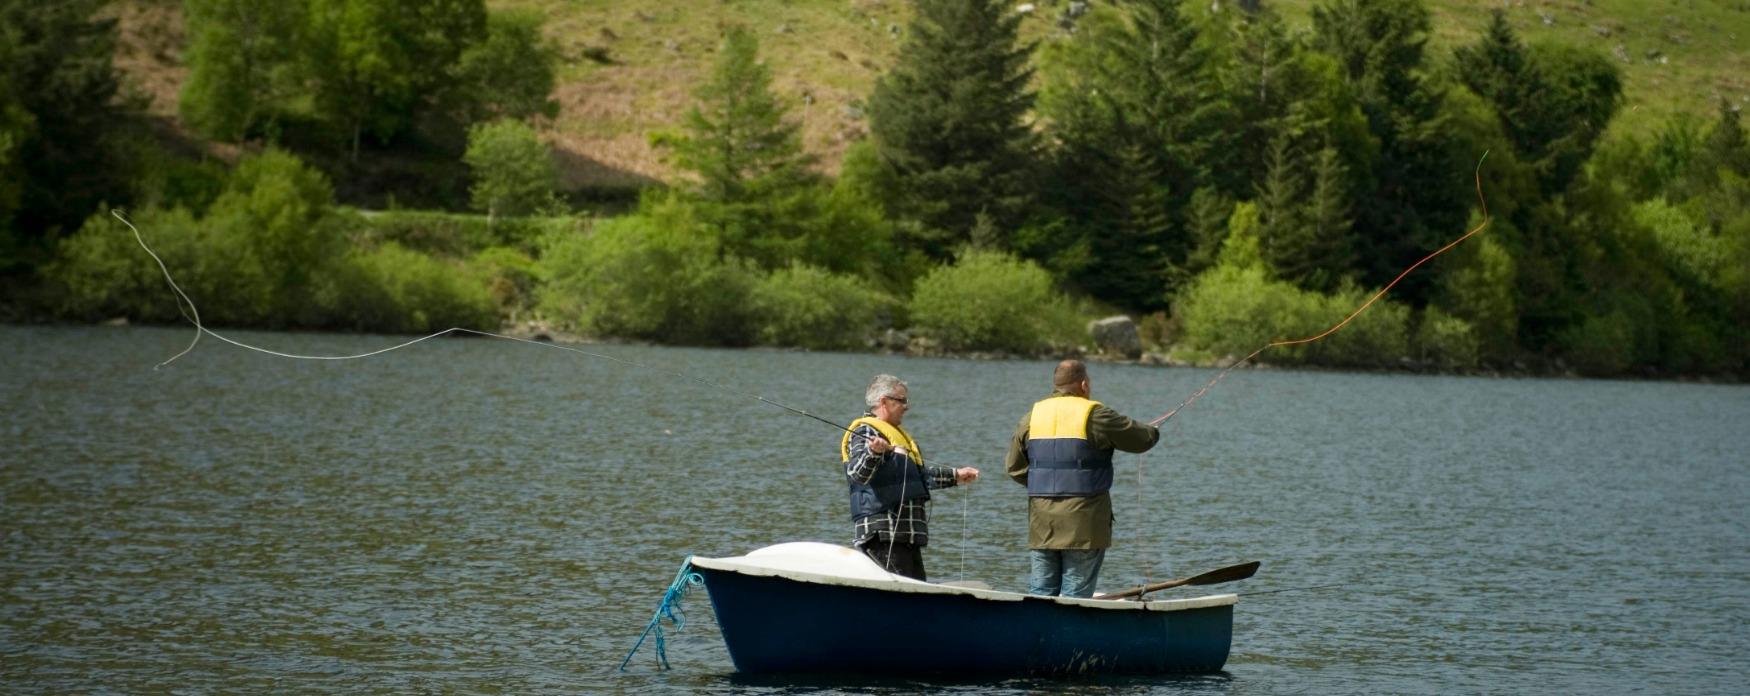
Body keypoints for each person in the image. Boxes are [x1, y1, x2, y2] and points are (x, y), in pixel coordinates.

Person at [1006, 359, 1159, 598]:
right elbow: (1142, 439)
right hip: (1085, 522)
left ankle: (1038, 634)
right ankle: (1067, 635)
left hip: (1042, 521)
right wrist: (1153, 430)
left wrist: (1049, 480)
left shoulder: (1031, 417)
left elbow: (1014, 468)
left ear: (1056, 385)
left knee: (1040, 592)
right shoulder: (1096, 414)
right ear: (1084, 384)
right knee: (1075, 593)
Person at [840, 374, 979, 581]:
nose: (907, 406)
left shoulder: (898, 435)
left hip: (906, 536)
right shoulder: (865, 430)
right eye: (902, 400)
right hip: (883, 534)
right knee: (897, 600)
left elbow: (916, 477)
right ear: (884, 402)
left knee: (915, 596)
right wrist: (874, 453)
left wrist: (955, 476)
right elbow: (858, 474)